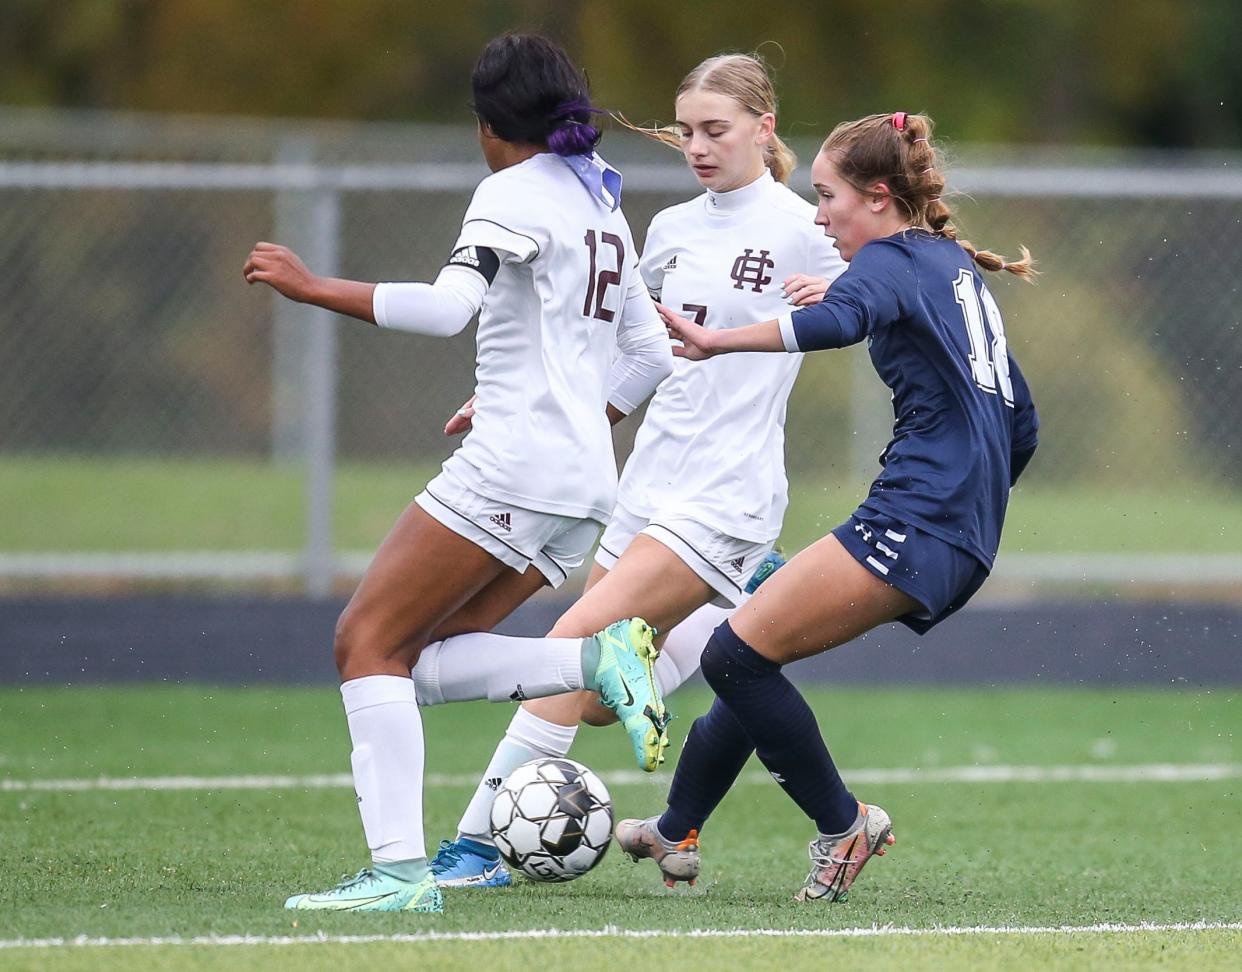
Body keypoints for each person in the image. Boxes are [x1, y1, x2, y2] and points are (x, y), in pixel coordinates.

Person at [242, 33, 674, 913]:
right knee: (412, 659)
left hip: (512, 469)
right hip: (583, 484)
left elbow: (445, 311)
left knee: (363, 643)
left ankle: (400, 876)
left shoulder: (509, 190)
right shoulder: (600, 201)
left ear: (487, 126)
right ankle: (594, 662)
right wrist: (572, 421)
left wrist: (311, 285)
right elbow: (650, 356)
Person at [425, 52, 847, 889]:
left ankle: (475, 849)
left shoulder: (808, 230)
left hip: (726, 493)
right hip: (645, 487)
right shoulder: (672, 229)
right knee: (584, 693)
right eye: (685, 130)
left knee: (568, 650)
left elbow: (880, 304)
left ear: (765, 129)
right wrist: (530, 407)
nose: (696, 145)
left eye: (715, 130)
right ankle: (740, 592)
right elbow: (635, 355)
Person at [619, 111, 1040, 902]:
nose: (818, 216)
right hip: (947, 529)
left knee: (734, 656)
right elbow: (1022, 422)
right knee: (756, 640)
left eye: (827, 196)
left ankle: (843, 825)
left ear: (878, 197)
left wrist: (720, 340)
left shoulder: (887, 260)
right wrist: (970, 508)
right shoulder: (947, 264)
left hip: (919, 522)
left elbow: (838, 321)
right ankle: (676, 827)